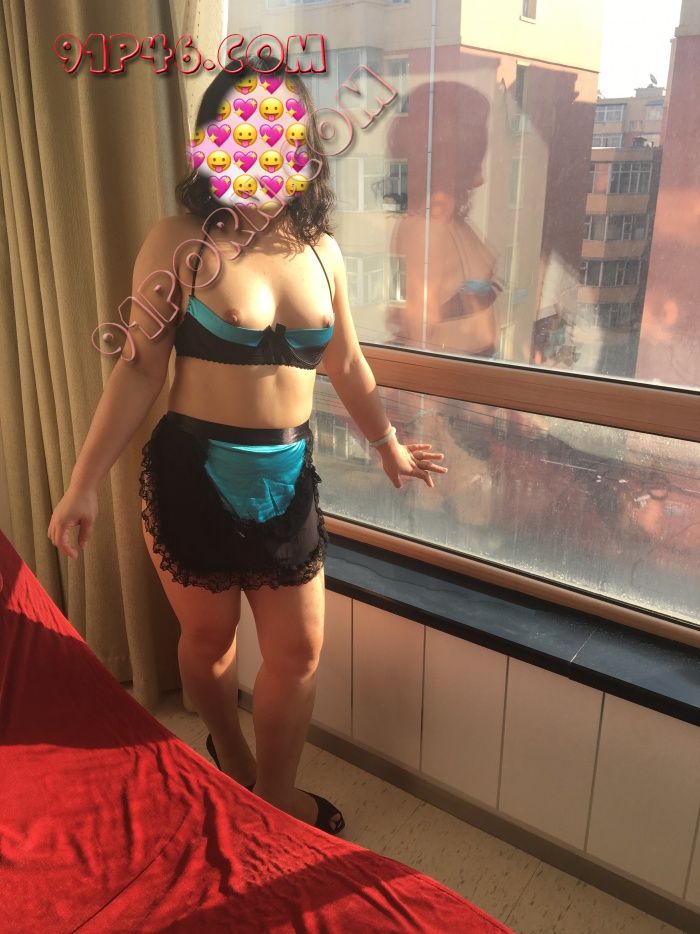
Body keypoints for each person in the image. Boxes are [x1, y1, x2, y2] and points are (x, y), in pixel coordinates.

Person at [47, 57, 448, 836]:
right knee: (208, 641)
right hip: (192, 473)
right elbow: (139, 371)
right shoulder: (180, 243)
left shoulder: (323, 251)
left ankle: (275, 797)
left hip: (288, 477)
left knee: (299, 652)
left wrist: (388, 443)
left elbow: (348, 364)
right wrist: (82, 482)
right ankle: (230, 759)